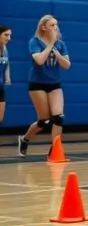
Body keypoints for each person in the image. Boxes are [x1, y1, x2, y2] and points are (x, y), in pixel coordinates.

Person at [18, 15, 70, 158]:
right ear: (43, 27)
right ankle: (25, 139)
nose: (56, 28)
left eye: (56, 25)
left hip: (55, 84)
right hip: (37, 84)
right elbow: (40, 60)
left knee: (59, 117)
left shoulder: (61, 44)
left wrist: (58, 55)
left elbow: (67, 65)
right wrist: (50, 44)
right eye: (52, 25)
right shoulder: (34, 42)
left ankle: (55, 149)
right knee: (44, 120)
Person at [0, 25, 9, 141]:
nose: (9, 38)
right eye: (6, 35)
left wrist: (7, 76)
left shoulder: (5, 48)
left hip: (1, 87)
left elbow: (7, 62)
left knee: (0, 118)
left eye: (10, 35)